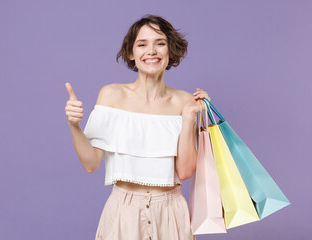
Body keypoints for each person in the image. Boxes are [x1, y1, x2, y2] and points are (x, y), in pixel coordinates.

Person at [64, 14, 210, 240]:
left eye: (160, 43)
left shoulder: (184, 101)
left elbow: (185, 172)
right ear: (131, 53)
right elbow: (91, 164)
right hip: (123, 212)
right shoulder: (111, 95)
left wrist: (190, 115)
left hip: (172, 212)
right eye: (142, 44)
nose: (151, 51)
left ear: (170, 50)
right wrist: (74, 126)